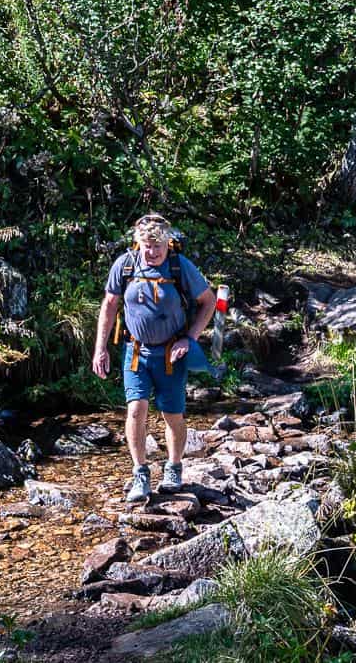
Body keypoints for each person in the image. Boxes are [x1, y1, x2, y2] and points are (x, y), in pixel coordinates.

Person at [92, 214, 217, 502]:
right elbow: (109, 306)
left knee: (172, 414)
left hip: (171, 354)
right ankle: (140, 473)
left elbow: (208, 301)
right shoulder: (124, 266)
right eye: (147, 246)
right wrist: (100, 349)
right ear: (138, 243)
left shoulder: (179, 266)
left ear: (167, 243)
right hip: (136, 352)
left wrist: (190, 338)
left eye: (158, 246)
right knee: (136, 409)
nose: (153, 252)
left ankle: (173, 468)